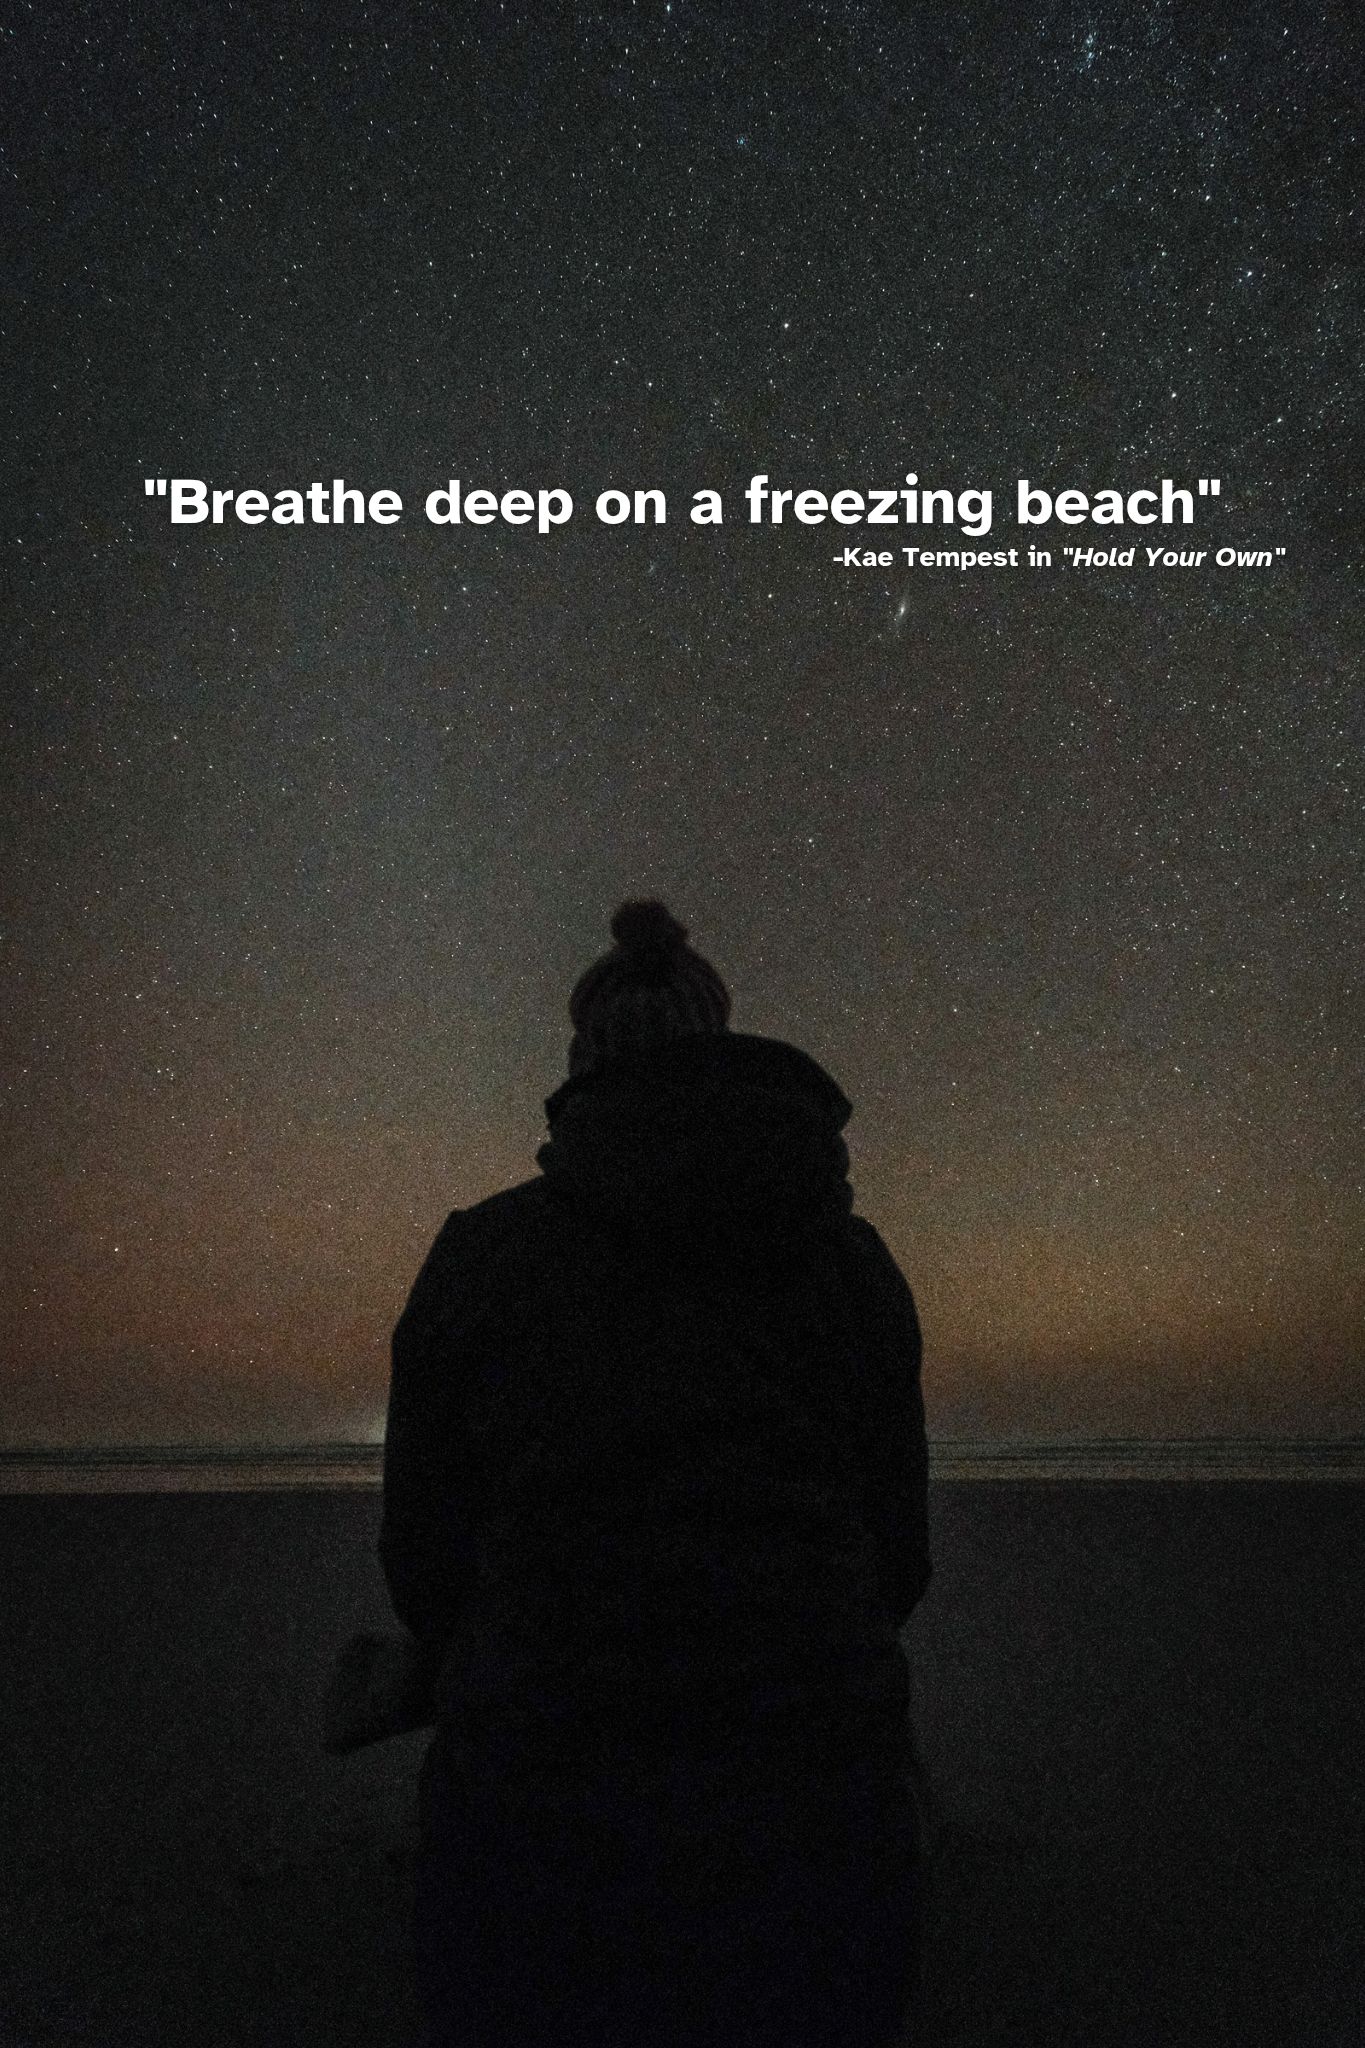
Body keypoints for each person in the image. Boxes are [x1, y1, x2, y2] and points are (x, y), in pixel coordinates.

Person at [379, 900, 932, 2048]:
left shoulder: (485, 1256)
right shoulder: (853, 1267)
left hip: (534, 1831)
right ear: (722, 1049)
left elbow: (425, 1566)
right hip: (826, 1827)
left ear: (584, 1072)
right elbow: (899, 1563)